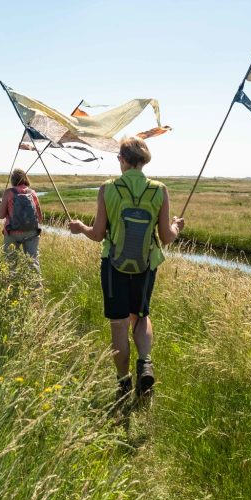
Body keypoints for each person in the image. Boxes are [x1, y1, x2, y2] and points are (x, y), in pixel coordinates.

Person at [68, 136, 184, 406]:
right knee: (141, 316)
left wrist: (79, 228)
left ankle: (123, 385)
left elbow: (97, 234)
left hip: (114, 266)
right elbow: (166, 237)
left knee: (118, 325)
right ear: (143, 160)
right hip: (145, 265)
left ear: (122, 159)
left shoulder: (107, 189)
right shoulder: (160, 190)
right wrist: (178, 225)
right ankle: (145, 363)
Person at [0, 168, 43, 271]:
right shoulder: (32, 193)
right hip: (32, 233)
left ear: (13, 180)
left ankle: (12, 285)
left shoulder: (8, 193)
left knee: (10, 262)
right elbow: (40, 218)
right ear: (25, 179)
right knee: (33, 262)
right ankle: (37, 286)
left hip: (12, 232)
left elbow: (1, 215)